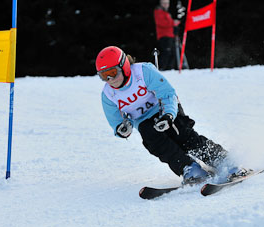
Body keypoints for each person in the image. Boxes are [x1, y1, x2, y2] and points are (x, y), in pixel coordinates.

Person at [95, 46, 245, 184]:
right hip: (144, 121)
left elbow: (168, 94)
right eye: (104, 75)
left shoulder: (143, 72)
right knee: (154, 142)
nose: (110, 79)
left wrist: (168, 115)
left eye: (112, 73)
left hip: (166, 109)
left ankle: (225, 161)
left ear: (124, 66)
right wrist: (122, 130)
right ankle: (190, 169)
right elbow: (116, 122)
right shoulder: (108, 95)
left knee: (183, 136)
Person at [153, 0, 180, 70]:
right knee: (166, 53)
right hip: (164, 36)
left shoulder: (166, 12)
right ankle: (163, 68)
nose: (166, 5)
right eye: (164, 3)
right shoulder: (158, 11)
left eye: (167, 3)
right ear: (161, 3)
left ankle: (170, 69)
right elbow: (162, 23)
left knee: (172, 53)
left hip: (170, 35)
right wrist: (173, 22)